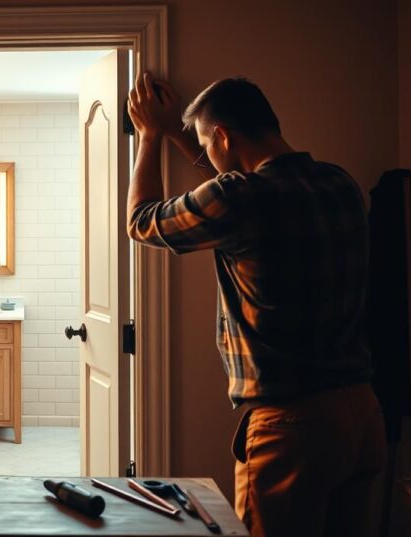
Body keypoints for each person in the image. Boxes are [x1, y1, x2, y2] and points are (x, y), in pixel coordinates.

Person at [125, 73, 386, 537]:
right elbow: (239, 185)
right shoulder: (338, 183)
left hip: (291, 428)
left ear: (222, 136)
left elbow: (142, 221)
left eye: (208, 145)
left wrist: (150, 135)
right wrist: (183, 133)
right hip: (362, 415)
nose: (205, 155)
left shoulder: (236, 200)